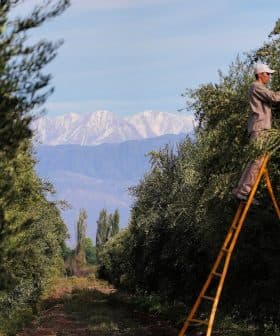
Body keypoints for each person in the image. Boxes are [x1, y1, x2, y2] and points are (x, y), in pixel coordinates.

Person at [233, 63, 280, 203]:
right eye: (268, 74)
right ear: (260, 74)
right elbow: (274, 97)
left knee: (254, 159)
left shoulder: (258, 88)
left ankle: (240, 190)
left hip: (259, 128)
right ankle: (244, 191)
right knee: (257, 160)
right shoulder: (256, 86)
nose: (270, 77)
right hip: (260, 128)